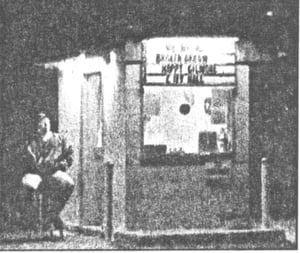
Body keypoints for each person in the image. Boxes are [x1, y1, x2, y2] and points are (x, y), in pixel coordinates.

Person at [22, 112, 74, 239]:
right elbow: (28, 161)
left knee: (69, 184)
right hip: (37, 174)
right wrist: (35, 162)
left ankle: (51, 215)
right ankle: (37, 223)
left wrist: (61, 164)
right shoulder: (32, 142)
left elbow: (69, 158)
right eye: (42, 124)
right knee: (28, 185)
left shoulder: (59, 139)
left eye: (47, 122)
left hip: (53, 172)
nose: (45, 126)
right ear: (37, 127)